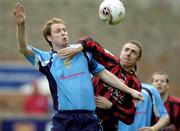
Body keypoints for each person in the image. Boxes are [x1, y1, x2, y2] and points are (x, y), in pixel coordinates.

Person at [13, 3, 143, 131]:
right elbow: (23, 49)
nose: (63, 33)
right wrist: (21, 25)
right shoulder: (46, 60)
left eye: (65, 30)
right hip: (64, 119)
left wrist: (129, 90)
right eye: (58, 31)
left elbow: (104, 74)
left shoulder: (82, 53)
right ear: (49, 37)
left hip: (89, 119)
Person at [58, 36, 143, 130]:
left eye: (133, 52)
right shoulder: (110, 61)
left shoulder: (135, 84)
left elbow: (129, 118)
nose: (128, 53)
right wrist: (79, 47)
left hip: (108, 125)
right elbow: (89, 41)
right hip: (85, 115)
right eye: (126, 50)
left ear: (138, 59)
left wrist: (111, 106)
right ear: (121, 52)